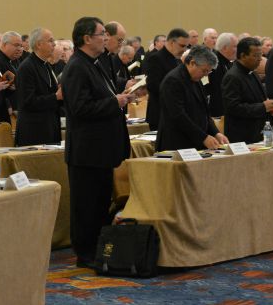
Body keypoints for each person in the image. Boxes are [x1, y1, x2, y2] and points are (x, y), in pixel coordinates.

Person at [61, 16, 133, 268]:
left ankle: (97, 249)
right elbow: (80, 108)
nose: (106, 37)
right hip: (86, 150)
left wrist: (120, 97)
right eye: (101, 33)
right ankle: (85, 253)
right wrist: (115, 102)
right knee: (86, 205)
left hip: (100, 149)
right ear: (86, 38)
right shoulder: (77, 66)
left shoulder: (95, 63)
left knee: (99, 203)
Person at [156, 45, 229, 151]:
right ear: (192, 63)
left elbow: (204, 111)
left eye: (209, 71)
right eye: (204, 71)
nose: (205, 75)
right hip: (177, 143)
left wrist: (216, 133)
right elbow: (178, 116)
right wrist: (203, 137)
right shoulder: (173, 81)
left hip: (194, 142)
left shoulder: (196, 78)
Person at [222, 37, 273, 143]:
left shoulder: (252, 72)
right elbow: (233, 107)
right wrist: (263, 107)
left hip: (257, 133)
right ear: (243, 56)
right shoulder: (233, 76)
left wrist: (271, 108)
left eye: (260, 55)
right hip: (242, 137)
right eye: (256, 55)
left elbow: (260, 99)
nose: (260, 59)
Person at [15, 27, 62, 146]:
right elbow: (27, 101)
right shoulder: (27, 67)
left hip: (49, 126)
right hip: (34, 131)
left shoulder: (46, 65)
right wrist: (55, 97)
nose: (54, 44)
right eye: (50, 41)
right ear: (39, 44)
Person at [142, 28, 189, 129]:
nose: (185, 49)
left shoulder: (178, 61)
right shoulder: (156, 58)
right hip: (160, 114)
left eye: (186, 46)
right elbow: (153, 86)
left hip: (174, 112)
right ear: (172, 42)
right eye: (182, 46)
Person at [0, 31, 24, 123]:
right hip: (3, 111)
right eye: (16, 45)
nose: (20, 49)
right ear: (5, 44)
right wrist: (10, 105)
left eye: (21, 46)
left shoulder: (12, 61)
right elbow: (0, 88)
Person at [205, 32, 237, 118]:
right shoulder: (212, 62)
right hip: (216, 112)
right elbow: (205, 84)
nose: (237, 49)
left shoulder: (229, 63)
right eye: (235, 46)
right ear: (225, 48)